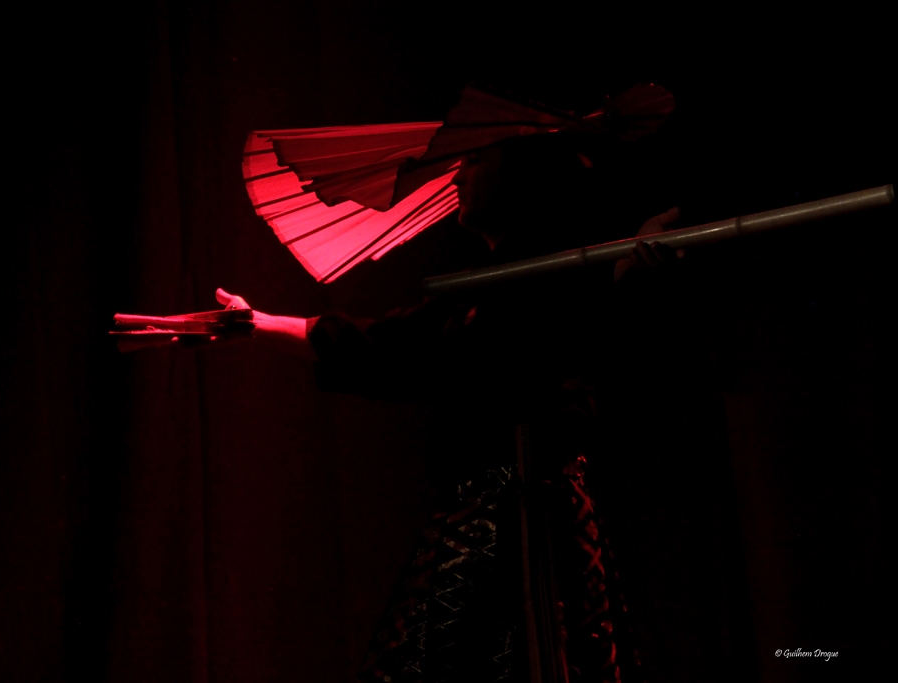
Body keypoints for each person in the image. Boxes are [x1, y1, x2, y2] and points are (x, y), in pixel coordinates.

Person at [217, 131, 683, 682]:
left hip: (531, 516)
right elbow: (389, 348)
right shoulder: (477, 294)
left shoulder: (569, 273)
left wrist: (625, 276)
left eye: (476, 160)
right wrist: (258, 323)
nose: (457, 177)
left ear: (520, 175)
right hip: (478, 517)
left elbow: (575, 350)